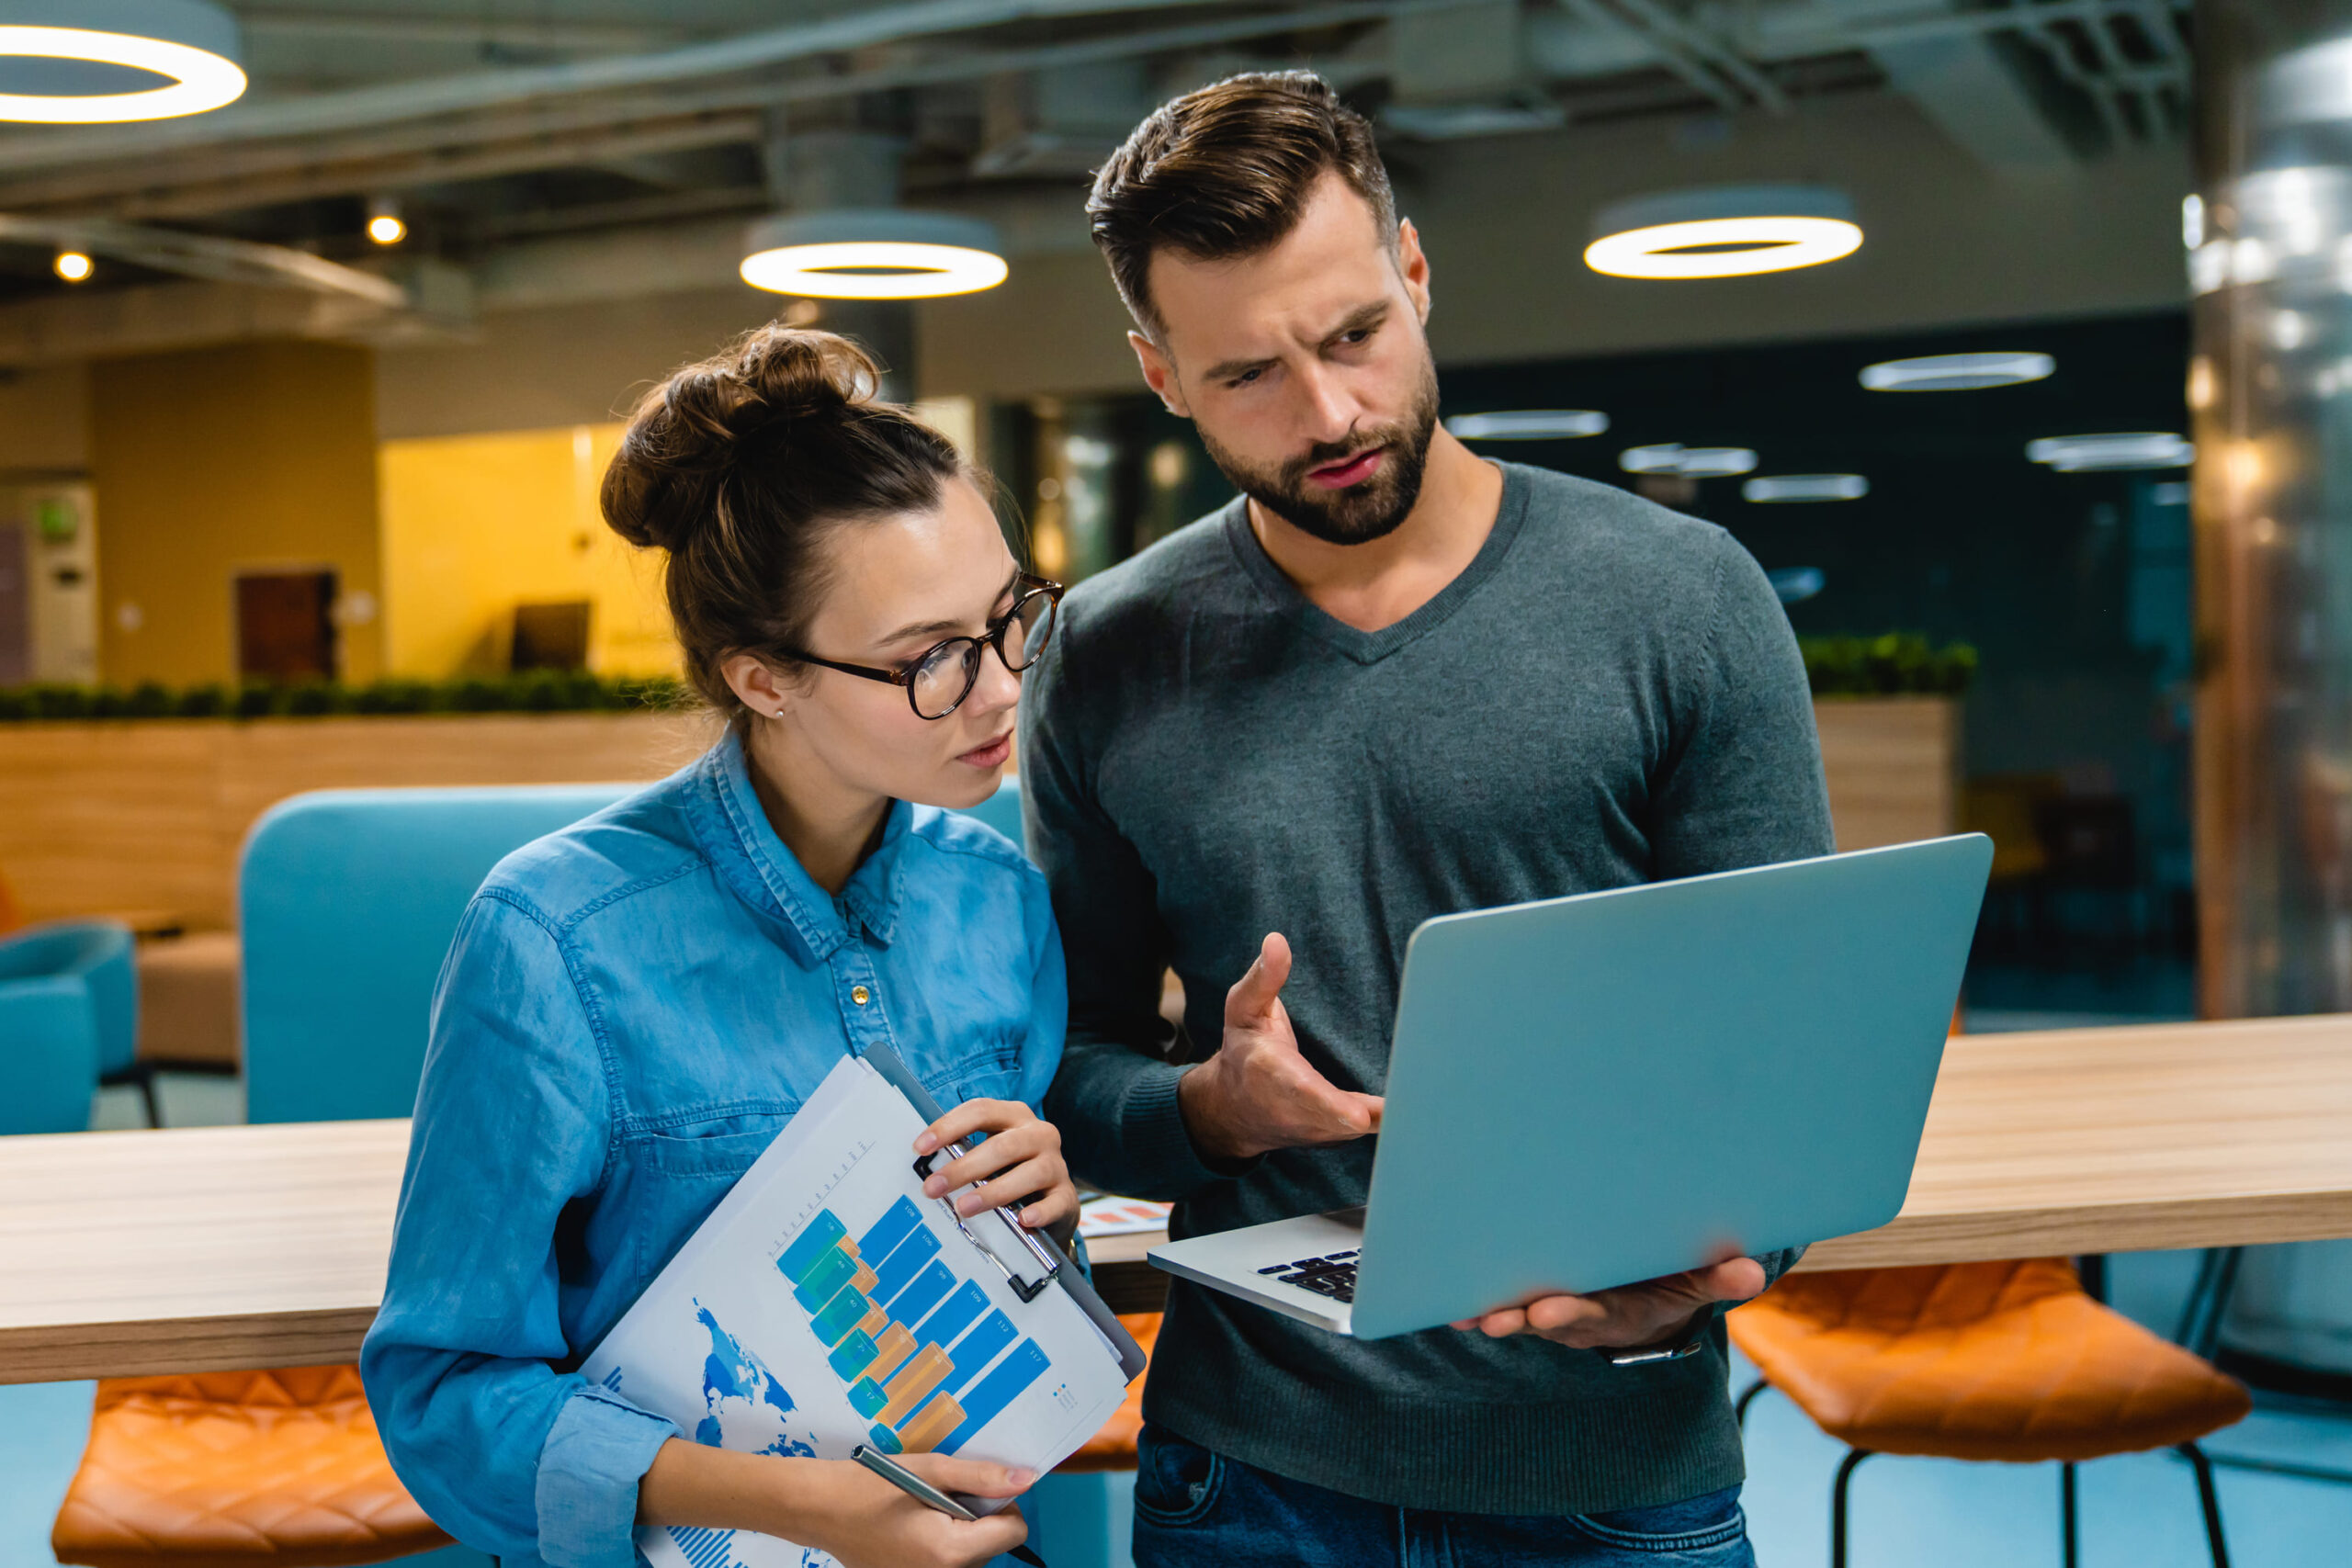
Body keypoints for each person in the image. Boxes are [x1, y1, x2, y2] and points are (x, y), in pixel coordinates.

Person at [1023, 72, 1834, 1566]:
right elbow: (1061, 1066)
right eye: (1248, 375)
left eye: (1354, 335)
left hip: (1610, 1475)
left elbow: (1791, 1048)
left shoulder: (1681, 597)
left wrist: (1710, 1264)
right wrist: (1208, 1110)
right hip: (1249, 1485)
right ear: (1160, 375)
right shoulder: (1106, 652)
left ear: (1413, 272)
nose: (1329, 413)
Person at [361, 326, 1076, 1568]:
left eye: (1010, 619)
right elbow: (444, 1400)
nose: (1004, 688)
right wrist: (807, 1505)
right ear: (762, 679)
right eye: (931, 660)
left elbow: (1021, 1309)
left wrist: (1048, 1222)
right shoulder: (554, 939)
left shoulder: (999, 901)